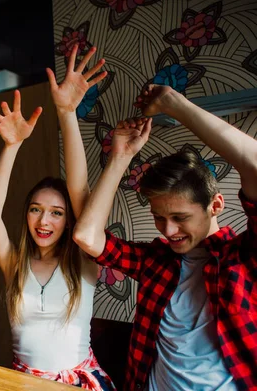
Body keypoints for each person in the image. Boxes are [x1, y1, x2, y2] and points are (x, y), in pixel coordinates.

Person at [72, 84, 257, 390]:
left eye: (180, 218)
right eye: (159, 217)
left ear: (216, 206)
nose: (168, 231)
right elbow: (87, 237)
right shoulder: (156, 260)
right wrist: (121, 156)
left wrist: (175, 105)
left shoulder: (243, 257)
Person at [0, 45, 115, 390]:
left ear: (68, 221)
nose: (44, 221)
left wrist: (67, 113)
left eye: (57, 213)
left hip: (79, 383)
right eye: (36, 209)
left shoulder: (83, 261)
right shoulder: (14, 263)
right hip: (23, 383)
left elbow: (80, 190)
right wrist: (11, 146)